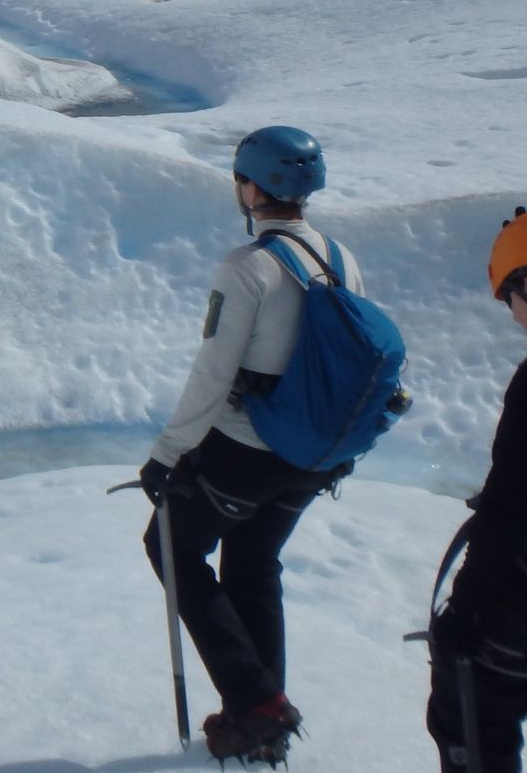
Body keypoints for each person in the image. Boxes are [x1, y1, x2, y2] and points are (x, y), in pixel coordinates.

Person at [137, 126, 361, 765]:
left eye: (240, 178)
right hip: (314, 457)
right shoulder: (341, 258)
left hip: (248, 451)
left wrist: (167, 453)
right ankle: (262, 715)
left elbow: (213, 372)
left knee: (172, 548)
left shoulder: (248, 267)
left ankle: (258, 705)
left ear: (253, 188)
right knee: (254, 562)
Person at [426, 202, 527, 773]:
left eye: (512, 300)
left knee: (467, 717)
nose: (515, 317)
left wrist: (465, 611)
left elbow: (507, 507)